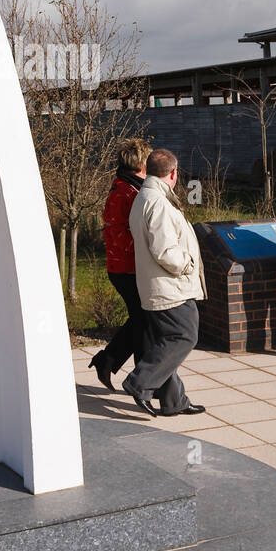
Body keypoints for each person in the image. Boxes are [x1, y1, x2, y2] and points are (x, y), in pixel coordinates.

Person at [121, 148, 207, 417]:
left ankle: (174, 401)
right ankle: (139, 383)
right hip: (170, 287)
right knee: (184, 336)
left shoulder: (145, 197)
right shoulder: (157, 202)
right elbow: (164, 249)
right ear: (173, 173)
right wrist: (187, 264)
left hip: (157, 285)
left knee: (167, 341)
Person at [88, 138, 151, 391]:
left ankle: (108, 361)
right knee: (144, 321)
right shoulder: (124, 191)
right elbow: (120, 234)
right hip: (125, 268)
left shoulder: (130, 187)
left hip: (129, 267)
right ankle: (143, 380)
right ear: (140, 163)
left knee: (141, 320)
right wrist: (149, 251)